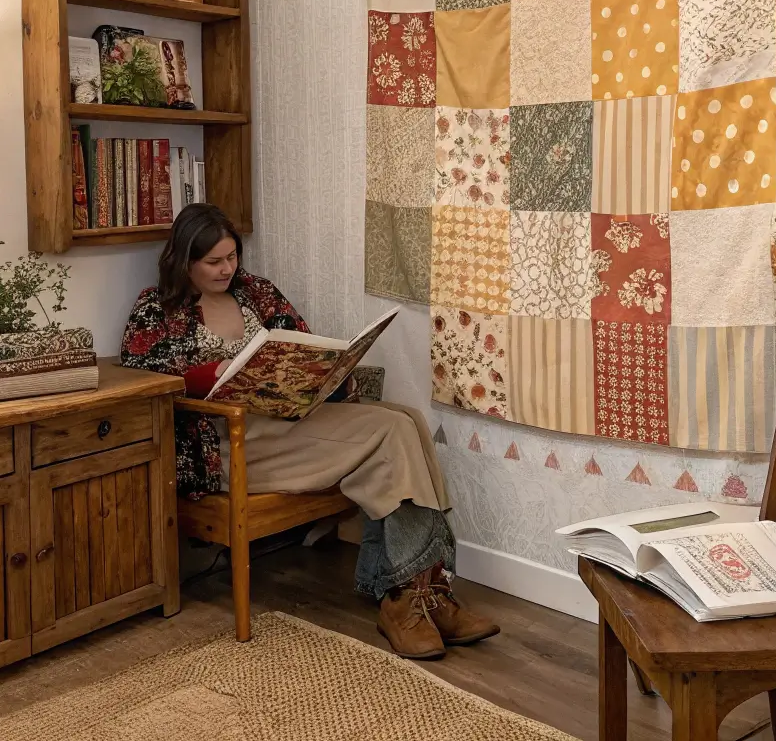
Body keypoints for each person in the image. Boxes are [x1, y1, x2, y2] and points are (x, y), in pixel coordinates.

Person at [121, 203, 498, 659]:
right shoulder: (157, 308)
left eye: (232, 256)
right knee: (391, 433)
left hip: (288, 423)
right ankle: (416, 595)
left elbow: (302, 345)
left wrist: (333, 373)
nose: (226, 269)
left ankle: (416, 595)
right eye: (213, 261)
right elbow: (144, 376)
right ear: (184, 261)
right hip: (226, 443)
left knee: (406, 421)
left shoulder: (256, 292)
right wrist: (212, 372)